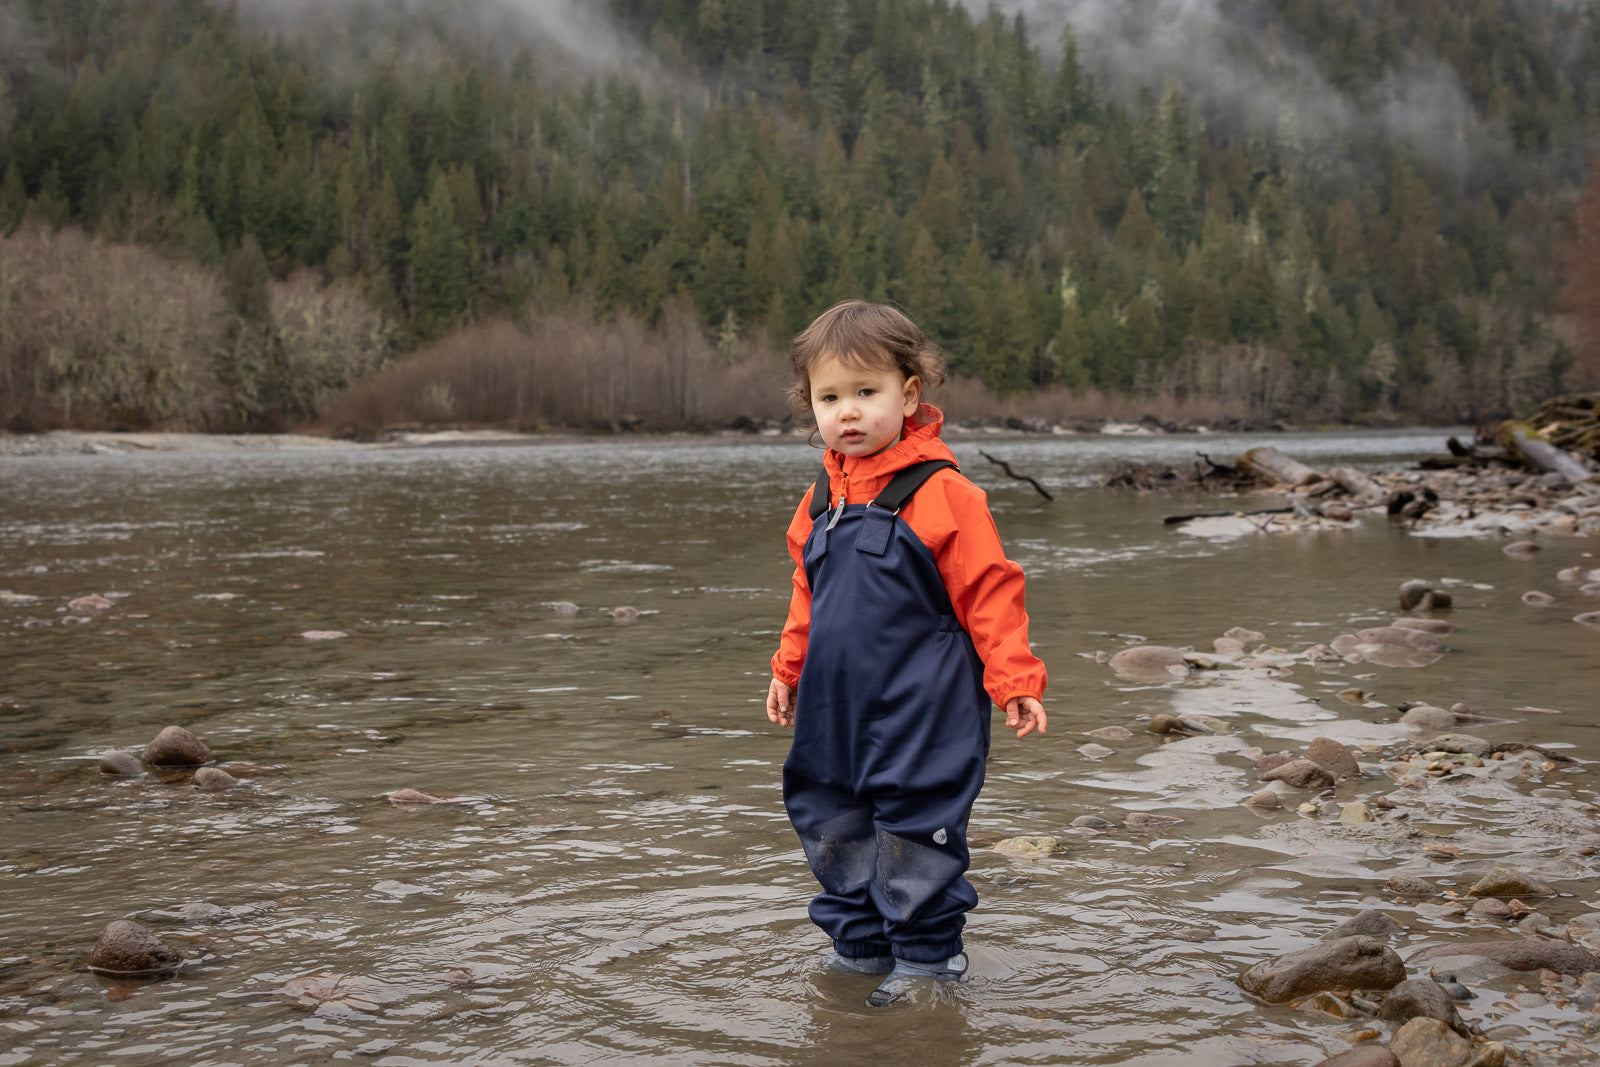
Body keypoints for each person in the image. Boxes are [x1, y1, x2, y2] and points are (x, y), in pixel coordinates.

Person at [765, 300, 1048, 1007]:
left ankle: (927, 962)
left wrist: (1014, 678)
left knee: (917, 826)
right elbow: (807, 594)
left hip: (926, 708)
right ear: (812, 407)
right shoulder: (819, 500)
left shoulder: (944, 493)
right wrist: (785, 668)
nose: (849, 412)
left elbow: (992, 591)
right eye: (831, 397)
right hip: (836, 710)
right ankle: (860, 945)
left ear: (910, 393)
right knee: (833, 816)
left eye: (867, 392)